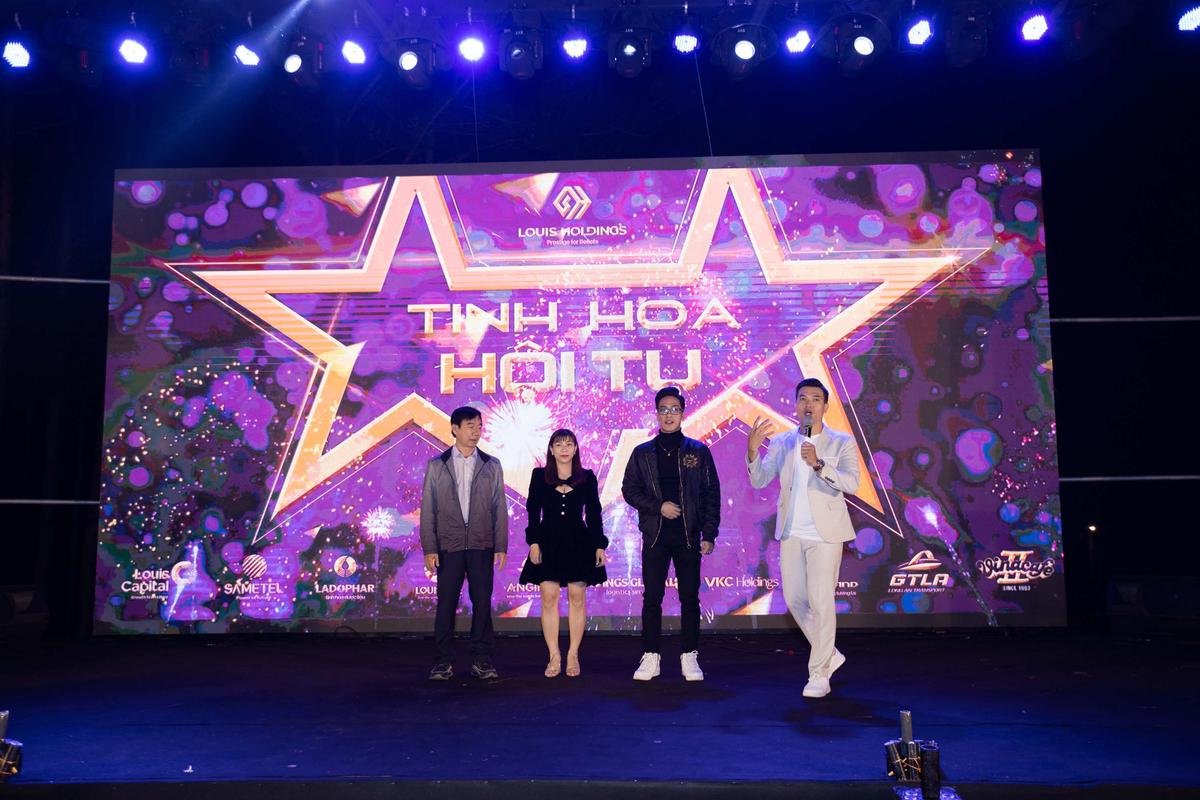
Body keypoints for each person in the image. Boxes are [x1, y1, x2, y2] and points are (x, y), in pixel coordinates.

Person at [746, 378, 860, 698]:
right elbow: (760, 480)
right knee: (796, 600)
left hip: (826, 534)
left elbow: (852, 484)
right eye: (802, 399)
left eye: (815, 399)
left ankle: (819, 673)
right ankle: (829, 653)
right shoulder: (783, 442)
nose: (808, 404)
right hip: (792, 533)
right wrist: (753, 452)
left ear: (825, 406)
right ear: (796, 405)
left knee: (821, 602)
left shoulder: (841, 442)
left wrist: (819, 464)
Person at [621, 386, 720, 681]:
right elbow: (629, 489)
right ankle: (651, 657)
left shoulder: (698, 451)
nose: (669, 415)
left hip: (688, 536)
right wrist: (658, 507)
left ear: (682, 413)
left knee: (689, 597)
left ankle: (689, 656)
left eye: (674, 409)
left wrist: (709, 534)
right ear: (656, 413)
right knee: (652, 597)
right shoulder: (642, 453)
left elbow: (711, 494)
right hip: (656, 536)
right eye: (663, 409)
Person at [419, 406, 508, 681]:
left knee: (482, 604)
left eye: (479, 426)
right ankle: (443, 661)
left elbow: (499, 507)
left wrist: (501, 545)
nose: (476, 432)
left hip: (482, 545)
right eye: (470, 426)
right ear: (454, 428)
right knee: (446, 604)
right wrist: (430, 548)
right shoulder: (438, 465)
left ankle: (482, 659)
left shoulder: (491, 465)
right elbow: (428, 509)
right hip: (449, 546)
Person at [519, 429, 608, 678]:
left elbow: (594, 514)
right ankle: (554, 655)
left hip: (579, 542)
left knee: (577, 597)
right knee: (548, 596)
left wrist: (599, 545)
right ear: (551, 449)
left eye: (569, 444)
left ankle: (573, 654)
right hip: (547, 541)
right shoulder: (539, 476)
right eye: (559, 444)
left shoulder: (587, 477)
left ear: (576, 448)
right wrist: (533, 542)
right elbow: (533, 512)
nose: (564, 449)